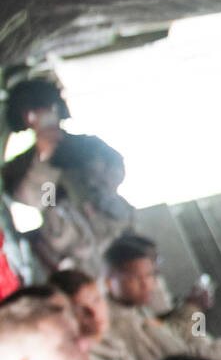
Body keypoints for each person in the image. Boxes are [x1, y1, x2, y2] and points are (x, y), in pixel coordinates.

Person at [0, 78, 134, 277]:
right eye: (33, 112)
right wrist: (45, 160)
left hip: (115, 237)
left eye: (46, 109)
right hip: (72, 250)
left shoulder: (89, 146)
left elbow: (114, 175)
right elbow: (41, 201)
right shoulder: (22, 166)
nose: (41, 117)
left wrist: (85, 170)